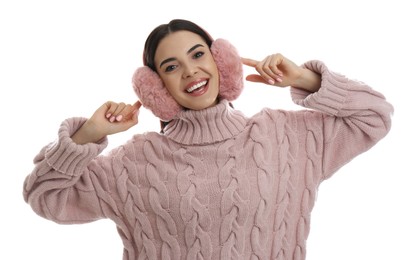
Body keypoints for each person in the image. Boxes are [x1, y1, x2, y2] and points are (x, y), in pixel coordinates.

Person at [23, 19, 393, 260]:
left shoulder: (286, 138)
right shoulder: (132, 164)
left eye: (198, 54)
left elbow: (374, 114)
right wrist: (89, 135)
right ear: (155, 88)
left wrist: (304, 79)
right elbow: (44, 196)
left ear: (222, 62)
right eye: (171, 67)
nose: (190, 71)